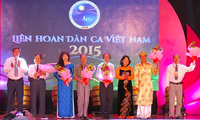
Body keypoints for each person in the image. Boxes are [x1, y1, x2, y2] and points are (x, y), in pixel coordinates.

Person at [165, 54, 195, 119]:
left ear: (179, 59)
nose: (176, 59)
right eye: (175, 58)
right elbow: (167, 76)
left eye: (177, 58)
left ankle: (178, 115)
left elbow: (190, 69)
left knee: (179, 101)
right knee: (171, 101)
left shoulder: (183, 67)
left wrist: (193, 61)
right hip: (172, 85)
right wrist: (167, 85)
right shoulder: (169, 67)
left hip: (179, 85)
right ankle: (171, 115)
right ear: (173, 59)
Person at [3, 48, 28, 114]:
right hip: (11, 81)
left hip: (19, 81)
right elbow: (5, 70)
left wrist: (19, 66)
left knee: (20, 97)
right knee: (10, 97)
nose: (17, 53)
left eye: (18, 51)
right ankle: (9, 112)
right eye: (15, 51)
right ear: (12, 52)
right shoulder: (8, 60)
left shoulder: (22, 60)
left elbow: (25, 70)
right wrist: (11, 67)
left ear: (19, 53)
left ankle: (19, 112)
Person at [135, 51, 158, 119]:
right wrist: (136, 86)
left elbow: (154, 73)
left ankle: (147, 115)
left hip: (148, 85)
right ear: (139, 57)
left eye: (144, 56)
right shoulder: (137, 66)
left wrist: (156, 65)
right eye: (141, 56)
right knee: (141, 99)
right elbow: (136, 76)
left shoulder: (150, 64)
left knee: (148, 99)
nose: (142, 57)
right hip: (141, 84)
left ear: (146, 56)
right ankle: (140, 115)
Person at [54, 51, 74, 118]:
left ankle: (68, 114)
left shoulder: (71, 65)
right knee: (62, 98)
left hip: (68, 83)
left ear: (68, 57)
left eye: (66, 56)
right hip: (61, 84)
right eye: (64, 56)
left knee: (68, 98)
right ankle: (62, 114)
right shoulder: (59, 65)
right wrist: (60, 78)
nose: (65, 57)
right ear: (61, 57)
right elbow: (55, 74)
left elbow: (73, 74)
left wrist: (70, 78)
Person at [28, 54, 49, 119]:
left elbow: (47, 74)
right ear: (34, 59)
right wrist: (36, 73)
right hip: (34, 82)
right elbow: (30, 74)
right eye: (36, 58)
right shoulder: (31, 66)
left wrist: (44, 73)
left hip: (41, 81)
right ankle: (33, 114)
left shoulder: (44, 67)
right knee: (33, 98)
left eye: (39, 58)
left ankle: (42, 114)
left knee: (42, 98)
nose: (37, 59)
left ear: (41, 60)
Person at [96, 53, 115, 118]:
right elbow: (97, 75)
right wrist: (103, 80)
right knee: (102, 99)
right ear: (103, 58)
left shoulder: (112, 66)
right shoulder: (100, 65)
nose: (106, 58)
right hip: (102, 83)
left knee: (110, 99)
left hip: (109, 83)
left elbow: (113, 75)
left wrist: (109, 81)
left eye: (108, 57)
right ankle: (103, 113)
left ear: (109, 58)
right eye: (105, 57)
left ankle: (108, 113)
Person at [74, 54, 91, 119]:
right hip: (80, 83)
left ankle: (85, 114)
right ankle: (80, 114)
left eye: (85, 58)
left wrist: (86, 81)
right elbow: (75, 76)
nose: (83, 59)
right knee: (80, 98)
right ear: (80, 59)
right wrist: (81, 81)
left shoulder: (89, 67)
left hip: (86, 83)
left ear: (86, 58)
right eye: (82, 58)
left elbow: (91, 76)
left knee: (86, 98)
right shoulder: (77, 67)